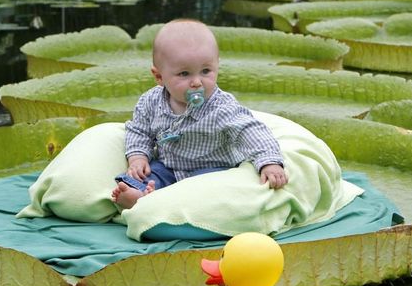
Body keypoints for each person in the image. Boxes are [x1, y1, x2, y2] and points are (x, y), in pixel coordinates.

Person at [111, 19, 288, 209]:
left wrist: (269, 162)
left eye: (205, 71)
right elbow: (139, 130)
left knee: (210, 187)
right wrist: (138, 157)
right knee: (148, 173)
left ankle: (166, 201)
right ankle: (139, 195)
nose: (197, 82)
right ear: (159, 77)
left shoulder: (222, 107)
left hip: (211, 168)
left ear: (217, 66)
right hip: (169, 167)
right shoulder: (151, 101)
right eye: (184, 74)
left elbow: (251, 132)